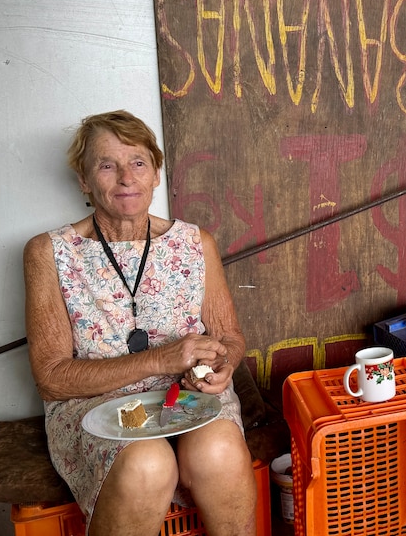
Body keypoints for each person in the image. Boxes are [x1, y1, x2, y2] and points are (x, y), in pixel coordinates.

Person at [23, 110, 257, 536]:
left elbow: (228, 337)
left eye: (138, 163)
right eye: (107, 165)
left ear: (156, 175)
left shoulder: (194, 243)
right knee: (147, 462)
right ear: (84, 181)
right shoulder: (49, 253)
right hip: (94, 405)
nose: (126, 178)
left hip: (184, 395)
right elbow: (52, 379)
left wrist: (224, 367)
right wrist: (159, 359)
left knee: (219, 450)